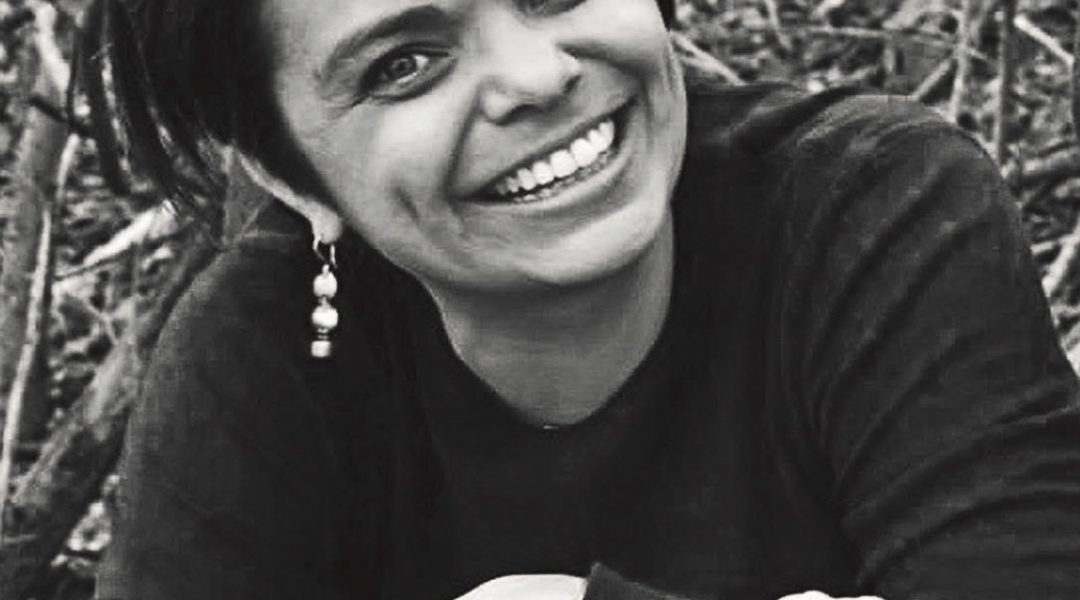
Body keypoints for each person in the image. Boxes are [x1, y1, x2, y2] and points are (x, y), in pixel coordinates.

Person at [94, 0, 1080, 599]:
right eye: (404, 64)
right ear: (285, 174)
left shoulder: (869, 209)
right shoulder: (257, 364)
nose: (536, 77)